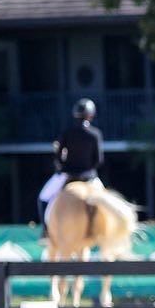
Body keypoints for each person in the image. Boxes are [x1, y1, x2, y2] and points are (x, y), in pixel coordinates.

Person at [37, 98, 104, 242]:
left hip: (68, 175)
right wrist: (88, 170)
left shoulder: (67, 132)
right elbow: (98, 160)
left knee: (43, 198)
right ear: (90, 115)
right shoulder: (95, 134)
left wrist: (64, 166)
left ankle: (46, 231)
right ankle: (103, 233)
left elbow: (58, 157)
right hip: (89, 177)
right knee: (105, 202)